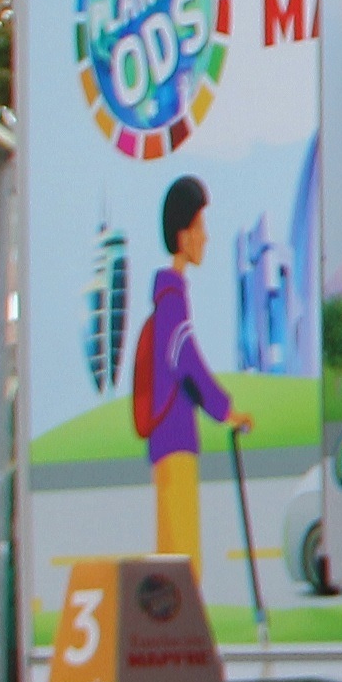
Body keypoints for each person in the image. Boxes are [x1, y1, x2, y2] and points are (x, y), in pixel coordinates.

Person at [135, 173, 238, 567]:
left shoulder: (170, 297)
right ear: (183, 236)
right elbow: (186, 360)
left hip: (171, 439)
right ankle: (179, 625)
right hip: (174, 437)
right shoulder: (171, 298)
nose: (206, 238)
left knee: (175, 548)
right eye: (201, 227)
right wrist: (225, 410)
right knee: (182, 551)